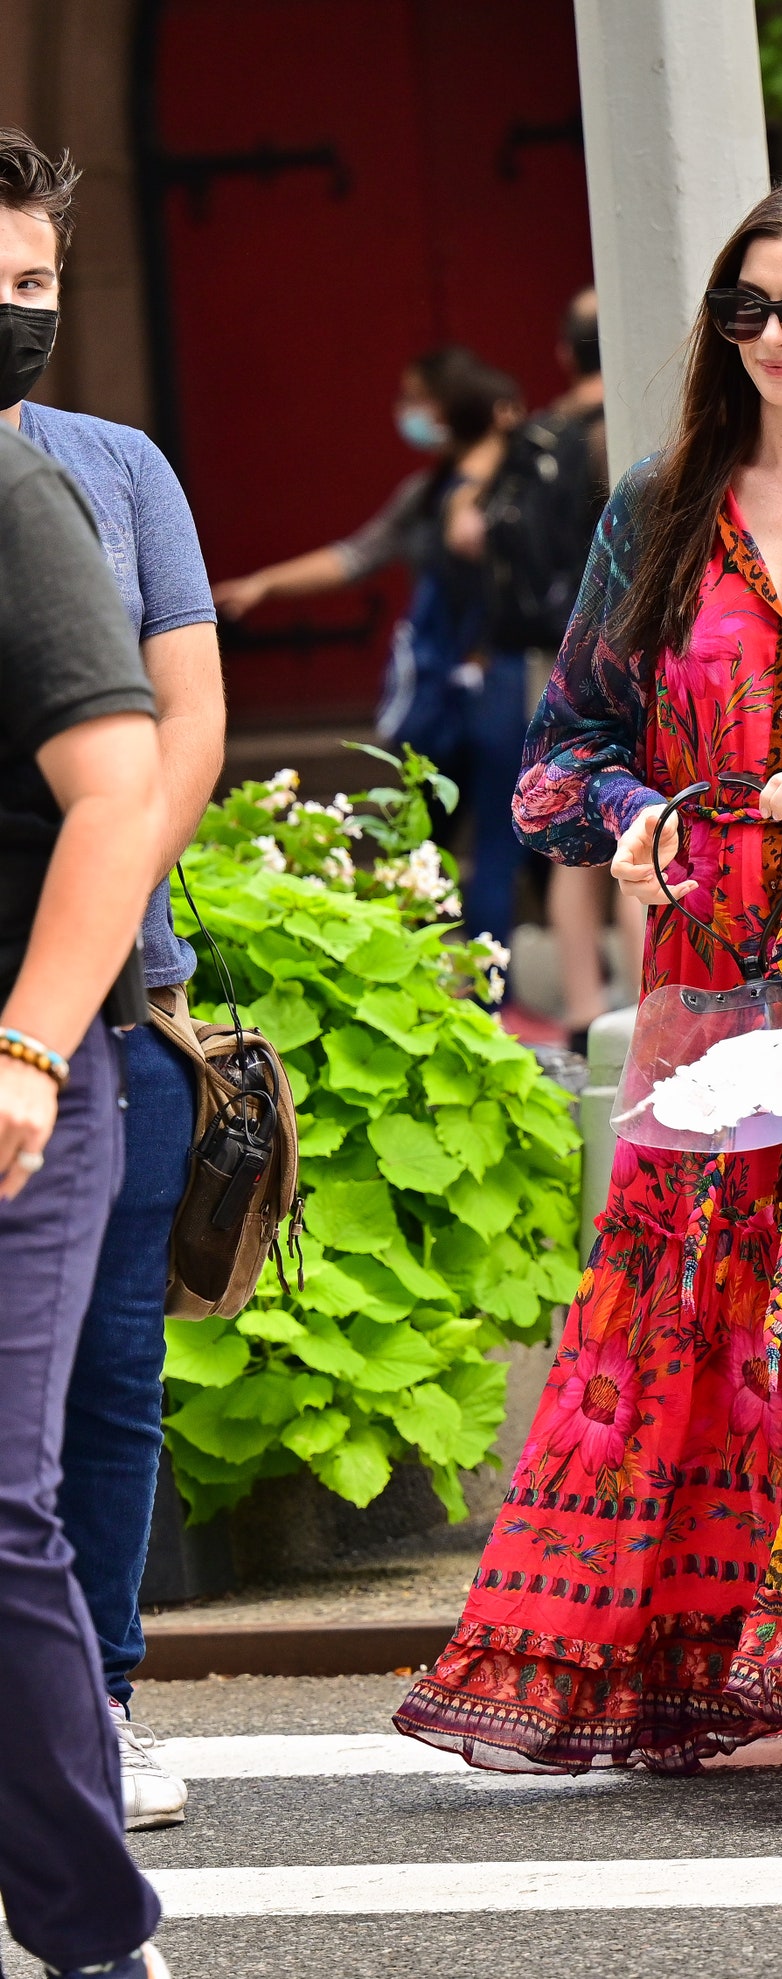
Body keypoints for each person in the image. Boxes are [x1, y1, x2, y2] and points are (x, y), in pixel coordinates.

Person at [396, 174, 782, 1829]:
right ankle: (711, 1669)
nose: (769, 337)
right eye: (744, 309)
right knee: (704, 1317)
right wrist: (634, 818)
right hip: (712, 971)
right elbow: (558, 758)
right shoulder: (660, 508)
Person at [0, 127, 226, 1835]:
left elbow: (181, 726)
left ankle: (108, 1697)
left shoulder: (112, 465)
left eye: (40, 283)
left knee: (106, 1377)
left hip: (116, 1002)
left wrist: (79, 951)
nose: (24, 311)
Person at [0, 409, 168, 1971]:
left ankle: (90, 1938)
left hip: (19, 1074)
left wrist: (29, 1050)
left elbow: (122, 788)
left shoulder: (15, 492)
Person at [212, 347, 525, 942]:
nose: (407, 412)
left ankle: (467, 991)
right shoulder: (435, 491)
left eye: (418, 398)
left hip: (492, 684)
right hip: (464, 687)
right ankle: (466, 988)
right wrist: (264, 585)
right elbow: (357, 555)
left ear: (453, 407)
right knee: (457, 842)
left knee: (454, 843)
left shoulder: (486, 494)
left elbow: (358, 556)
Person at [447, 288, 645, 1042]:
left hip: (559, 657)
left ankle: (587, 1012)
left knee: (581, 831)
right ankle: (650, 1002)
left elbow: (469, 532)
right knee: (644, 823)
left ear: (565, 352)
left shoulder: (540, 438)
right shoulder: (635, 430)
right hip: (640, 651)